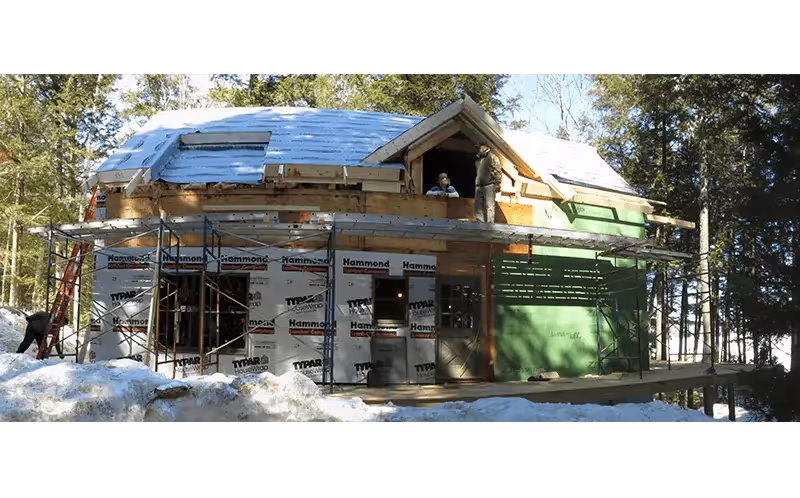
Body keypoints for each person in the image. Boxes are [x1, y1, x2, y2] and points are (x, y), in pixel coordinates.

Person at [474, 143, 502, 223]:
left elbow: (498, 171)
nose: (479, 149)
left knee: (489, 205)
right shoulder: (478, 160)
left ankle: (490, 223)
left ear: (485, 147)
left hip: (489, 184)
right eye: (478, 148)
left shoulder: (492, 157)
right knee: (478, 205)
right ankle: (479, 222)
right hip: (479, 185)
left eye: (480, 147)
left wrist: (497, 184)